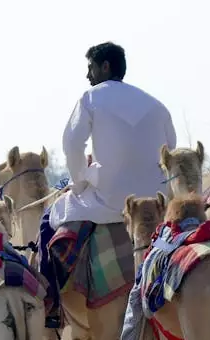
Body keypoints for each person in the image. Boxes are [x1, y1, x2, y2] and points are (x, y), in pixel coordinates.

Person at [47, 42, 177, 228]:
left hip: (109, 202)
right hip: (156, 201)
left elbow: (72, 144)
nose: (87, 75)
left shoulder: (90, 98)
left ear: (105, 66)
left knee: (51, 216)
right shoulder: (157, 105)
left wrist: (80, 183)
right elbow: (169, 150)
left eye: (91, 68)